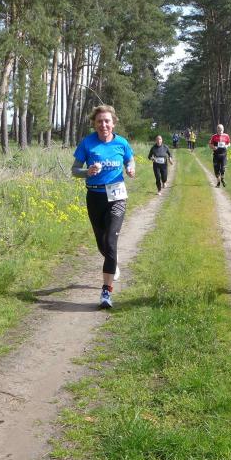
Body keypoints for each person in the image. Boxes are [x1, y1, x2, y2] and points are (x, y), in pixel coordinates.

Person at [71, 104, 136, 309]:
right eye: (99, 121)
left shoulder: (121, 143)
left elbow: (130, 160)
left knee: (110, 241)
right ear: (94, 124)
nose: (103, 125)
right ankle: (113, 262)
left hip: (117, 197)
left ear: (113, 123)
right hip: (95, 196)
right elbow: (74, 170)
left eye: (107, 121)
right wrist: (87, 172)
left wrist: (130, 168)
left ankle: (106, 292)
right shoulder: (87, 143)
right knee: (101, 242)